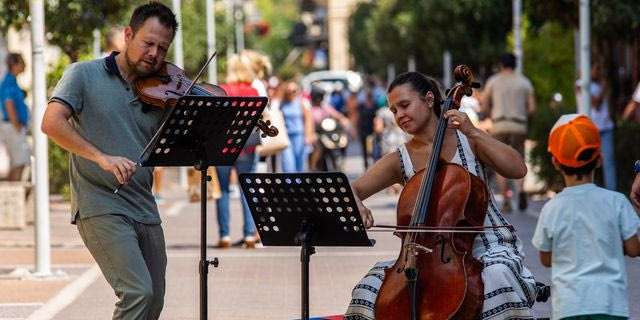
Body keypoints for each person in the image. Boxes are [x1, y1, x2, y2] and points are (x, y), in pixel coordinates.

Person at [344, 72, 537, 319]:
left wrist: (474, 132)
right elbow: (352, 189)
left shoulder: (468, 141)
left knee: (496, 276)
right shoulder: (400, 159)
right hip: (425, 257)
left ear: (428, 99)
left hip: (490, 246)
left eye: (404, 105)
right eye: (393, 111)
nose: (399, 115)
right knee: (368, 289)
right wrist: (356, 203)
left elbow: (517, 169)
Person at [41, 3, 178, 318]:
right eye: (148, 43)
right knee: (137, 293)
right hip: (101, 203)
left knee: (153, 300)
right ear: (128, 35)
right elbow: (51, 123)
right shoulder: (83, 74)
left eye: (162, 47)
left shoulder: (163, 91)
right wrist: (101, 157)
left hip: (144, 205)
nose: (155, 54)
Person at [532, 114, 640, 320]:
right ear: (599, 159)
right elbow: (634, 249)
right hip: (611, 306)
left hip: (568, 307)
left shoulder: (552, 208)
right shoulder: (616, 201)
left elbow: (545, 259)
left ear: (555, 162)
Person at [214, 52, 261, 249]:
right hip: (247, 145)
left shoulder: (222, 90)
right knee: (247, 190)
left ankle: (224, 236)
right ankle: (249, 235)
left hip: (224, 146)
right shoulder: (253, 92)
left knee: (223, 191)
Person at [481, 52, 536, 212]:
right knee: (520, 159)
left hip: (499, 126)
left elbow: (484, 106)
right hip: (519, 126)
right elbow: (532, 108)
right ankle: (521, 190)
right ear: (515, 65)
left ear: (501, 65)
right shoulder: (524, 82)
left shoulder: (493, 81)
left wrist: (493, 117)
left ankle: (506, 200)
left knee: (500, 164)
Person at [575, 63, 616, 191]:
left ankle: (611, 191)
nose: (599, 72)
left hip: (606, 127)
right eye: (597, 68)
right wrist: (604, 88)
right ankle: (585, 190)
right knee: (585, 162)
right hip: (589, 128)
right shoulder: (581, 84)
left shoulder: (599, 84)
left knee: (608, 162)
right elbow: (595, 103)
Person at [0, 53, 31, 181]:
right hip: (13, 126)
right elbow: (9, 104)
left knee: (17, 162)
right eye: (22, 62)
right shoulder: (9, 82)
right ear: (15, 64)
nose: (25, 65)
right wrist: (17, 126)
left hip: (14, 126)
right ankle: (14, 197)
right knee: (19, 162)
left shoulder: (12, 81)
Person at [279, 80, 314, 173]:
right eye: (289, 91)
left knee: (300, 164)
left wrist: (309, 135)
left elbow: (308, 119)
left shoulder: (302, 102)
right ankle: (290, 185)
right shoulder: (282, 104)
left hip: (299, 137)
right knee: (288, 164)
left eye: (294, 90)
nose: (292, 93)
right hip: (287, 137)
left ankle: (300, 186)